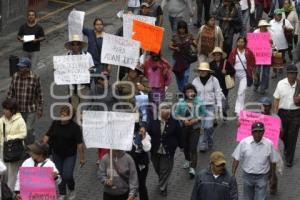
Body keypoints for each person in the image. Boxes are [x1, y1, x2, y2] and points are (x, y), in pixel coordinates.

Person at [43, 105, 85, 200]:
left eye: (65, 115)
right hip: (56, 154)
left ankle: (71, 189)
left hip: (70, 155)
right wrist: (43, 145)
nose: (62, 117)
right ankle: (62, 193)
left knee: (67, 175)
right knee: (59, 175)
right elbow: (47, 135)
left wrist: (82, 158)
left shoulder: (75, 128)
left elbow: (80, 144)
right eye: (61, 114)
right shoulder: (55, 123)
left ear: (70, 116)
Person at [232, 121, 278, 200]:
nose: (257, 134)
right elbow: (236, 158)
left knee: (261, 198)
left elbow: (273, 161)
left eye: (260, 131)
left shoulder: (269, 144)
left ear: (263, 132)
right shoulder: (244, 143)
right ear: (252, 132)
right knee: (248, 198)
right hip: (247, 176)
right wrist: (233, 175)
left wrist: (273, 176)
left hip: (262, 177)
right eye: (255, 132)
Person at [148, 103, 183, 196]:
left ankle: (163, 187)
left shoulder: (174, 121)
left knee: (165, 169)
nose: (168, 114)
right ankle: (162, 179)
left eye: (169, 111)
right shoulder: (153, 121)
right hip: (155, 150)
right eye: (165, 112)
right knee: (157, 168)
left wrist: (181, 146)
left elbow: (179, 134)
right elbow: (149, 132)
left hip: (168, 150)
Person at [7, 57, 43, 145]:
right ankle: (20, 147)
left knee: (28, 129)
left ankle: (29, 147)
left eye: (22, 67)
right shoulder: (15, 76)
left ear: (28, 68)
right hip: (18, 109)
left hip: (30, 109)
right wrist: (8, 108)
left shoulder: (35, 78)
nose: (20, 69)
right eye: (19, 67)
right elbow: (10, 92)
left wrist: (40, 109)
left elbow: (40, 94)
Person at [175, 84, 206, 178]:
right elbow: (176, 115)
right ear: (185, 93)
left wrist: (196, 120)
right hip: (184, 128)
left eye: (192, 91)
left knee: (193, 147)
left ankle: (193, 167)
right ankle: (187, 159)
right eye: (188, 92)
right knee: (185, 146)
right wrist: (183, 119)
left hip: (195, 128)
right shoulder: (181, 103)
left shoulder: (199, 101)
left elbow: (203, 113)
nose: (190, 93)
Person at [273, 64, 300, 167]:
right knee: (283, 134)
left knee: (292, 136)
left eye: (294, 73)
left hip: (296, 114)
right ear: (287, 74)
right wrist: (275, 114)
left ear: (296, 74)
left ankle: (289, 159)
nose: (292, 75)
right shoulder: (280, 84)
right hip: (282, 113)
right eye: (290, 73)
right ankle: (286, 147)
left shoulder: (299, 84)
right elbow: (276, 99)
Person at [192, 62, 223, 152]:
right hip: (199, 107)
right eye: (201, 71)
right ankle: (203, 143)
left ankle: (208, 139)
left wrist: (219, 107)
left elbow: (218, 93)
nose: (202, 72)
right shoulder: (195, 81)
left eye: (204, 71)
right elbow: (192, 94)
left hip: (210, 106)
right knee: (202, 126)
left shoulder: (214, 80)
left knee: (208, 126)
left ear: (208, 71)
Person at [0, 99, 27, 191]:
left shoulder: (19, 120)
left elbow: (23, 134)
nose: (4, 111)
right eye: (4, 109)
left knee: (12, 172)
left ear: (12, 110)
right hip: (2, 148)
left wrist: (10, 137)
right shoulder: (1, 120)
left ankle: (10, 192)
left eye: (6, 109)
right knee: (3, 170)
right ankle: (3, 191)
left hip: (14, 149)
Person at [64, 34, 95, 112]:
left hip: (84, 88)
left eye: (77, 44)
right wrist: (57, 71)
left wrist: (87, 72)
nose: (75, 46)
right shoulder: (67, 55)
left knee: (84, 111)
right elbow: (63, 69)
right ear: (71, 46)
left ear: (80, 45)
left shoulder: (87, 55)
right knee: (74, 111)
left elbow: (92, 69)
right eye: (73, 44)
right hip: (72, 88)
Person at [228, 37, 256, 115]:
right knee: (238, 91)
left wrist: (252, 71)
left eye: (242, 42)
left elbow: (253, 62)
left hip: (244, 74)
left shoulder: (248, 52)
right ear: (237, 43)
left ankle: (238, 109)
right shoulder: (233, 52)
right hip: (235, 74)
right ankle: (241, 107)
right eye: (239, 42)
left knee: (241, 91)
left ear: (245, 43)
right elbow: (230, 63)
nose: (240, 43)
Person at [168, 20, 197, 92]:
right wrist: (175, 48)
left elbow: (195, 44)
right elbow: (169, 45)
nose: (182, 30)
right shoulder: (175, 36)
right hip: (177, 59)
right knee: (179, 76)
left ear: (185, 28)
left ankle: (185, 91)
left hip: (186, 58)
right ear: (178, 28)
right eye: (180, 28)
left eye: (183, 28)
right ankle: (181, 90)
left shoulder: (189, 36)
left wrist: (196, 47)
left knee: (186, 76)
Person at [209, 47, 235, 117]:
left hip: (224, 85)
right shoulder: (210, 64)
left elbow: (233, 71)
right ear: (213, 56)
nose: (217, 56)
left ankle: (224, 110)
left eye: (218, 55)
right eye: (215, 55)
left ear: (221, 55)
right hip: (214, 85)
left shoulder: (226, 62)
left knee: (224, 98)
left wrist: (226, 72)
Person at [128, 124, 151, 200]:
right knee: (130, 185)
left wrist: (144, 136)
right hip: (129, 165)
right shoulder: (125, 134)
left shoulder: (142, 133)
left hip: (141, 165)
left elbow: (147, 148)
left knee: (141, 185)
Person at [253, 20, 272, 94]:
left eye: (265, 26)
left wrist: (271, 42)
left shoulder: (269, 33)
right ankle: (256, 84)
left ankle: (263, 87)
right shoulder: (256, 32)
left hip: (266, 54)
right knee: (257, 71)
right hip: (257, 54)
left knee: (266, 73)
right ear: (260, 27)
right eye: (263, 26)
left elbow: (272, 43)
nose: (265, 27)